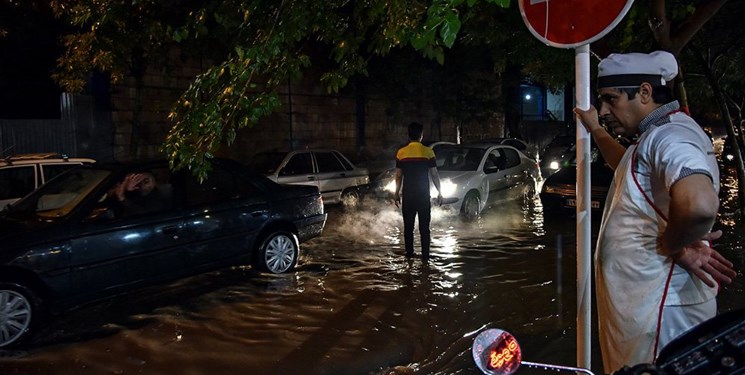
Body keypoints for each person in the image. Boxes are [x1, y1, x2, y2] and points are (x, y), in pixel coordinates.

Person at [574, 51, 737, 373]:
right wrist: (595, 129)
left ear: (645, 93)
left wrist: (673, 245)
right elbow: (625, 165)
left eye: (611, 99)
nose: (604, 110)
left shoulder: (670, 136)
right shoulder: (659, 133)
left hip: (661, 309)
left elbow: (699, 205)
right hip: (647, 305)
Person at [394, 122, 442, 261]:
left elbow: (398, 176)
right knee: (424, 229)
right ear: (421, 135)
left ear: (409, 136)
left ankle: (409, 257)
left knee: (408, 228)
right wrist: (440, 192)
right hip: (423, 196)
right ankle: (425, 259)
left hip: (408, 196)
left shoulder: (401, 152)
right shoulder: (428, 152)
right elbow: (434, 174)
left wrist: (396, 194)